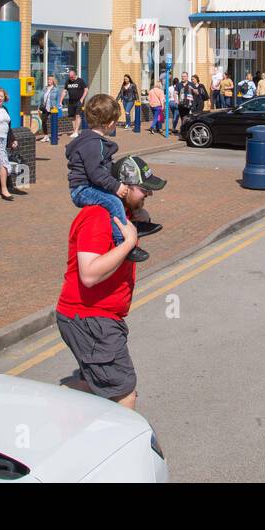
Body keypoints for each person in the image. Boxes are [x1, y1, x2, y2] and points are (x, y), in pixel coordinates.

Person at [55, 154, 167, 410]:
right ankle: (122, 448)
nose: (148, 194)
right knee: (124, 394)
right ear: (123, 187)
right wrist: (129, 242)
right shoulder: (97, 217)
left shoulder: (120, 213)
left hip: (97, 318)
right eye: (143, 189)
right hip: (91, 318)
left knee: (95, 387)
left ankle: (58, 406)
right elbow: (90, 273)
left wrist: (139, 218)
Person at [65, 93, 159, 263]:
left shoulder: (92, 140)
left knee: (120, 197)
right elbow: (95, 172)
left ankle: (138, 224)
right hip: (82, 189)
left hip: (88, 185)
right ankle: (123, 242)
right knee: (114, 201)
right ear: (109, 124)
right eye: (116, 122)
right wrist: (116, 186)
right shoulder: (93, 144)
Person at [63, 69, 88, 138]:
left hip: (79, 101)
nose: (71, 78)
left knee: (78, 115)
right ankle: (75, 131)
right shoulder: (68, 81)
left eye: (72, 77)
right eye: (70, 77)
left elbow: (86, 90)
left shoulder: (80, 81)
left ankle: (76, 131)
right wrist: (60, 100)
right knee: (72, 117)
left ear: (75, 75)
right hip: (71, 101)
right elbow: (64, 91)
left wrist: (82, 99)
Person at [39, 75, 63, 142]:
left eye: (50, 80)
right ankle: (46, 136)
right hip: (45, 107)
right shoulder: (45, 88)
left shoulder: (56, 89)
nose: (49, 81)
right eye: (48, 80)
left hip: (53, 108)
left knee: (53, 122)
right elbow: (41, 98)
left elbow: (58, 99)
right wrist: (39, 107)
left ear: (53, 81)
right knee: (44, 121)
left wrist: (58, 107)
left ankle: (53, 136)